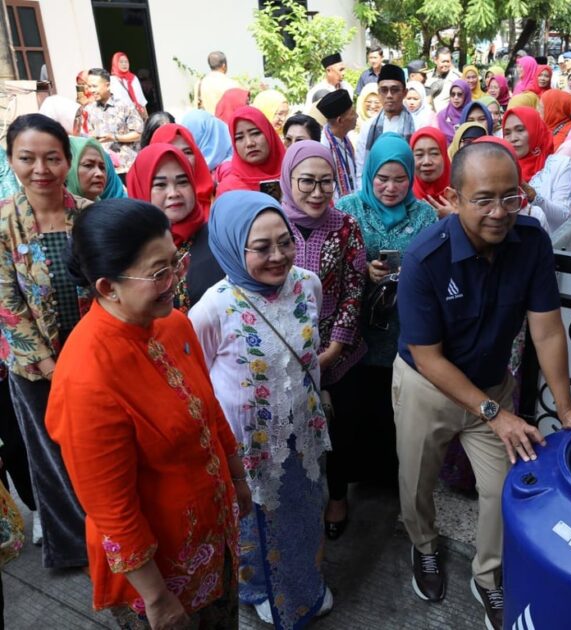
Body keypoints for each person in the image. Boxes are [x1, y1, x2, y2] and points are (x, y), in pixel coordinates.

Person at [393, 140, 571, 629]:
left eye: (511, 197)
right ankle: (423, 546)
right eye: (483, 198)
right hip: (429, 387)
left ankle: (488, 576)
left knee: (505, 489)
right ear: (454, 197)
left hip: (492, 386)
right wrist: (495, 413)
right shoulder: (425, 259)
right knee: (416, 481)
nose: (499, 212)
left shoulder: (531, 242)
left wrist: (566, 408)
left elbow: (546, 328)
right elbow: (428, 357)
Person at [46, 198, 250, 628]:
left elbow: (209, 408)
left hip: (211, 537)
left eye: (176, 262)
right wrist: (157, 598)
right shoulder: (87, 377)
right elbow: (112, 509)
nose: (176, 280)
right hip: (159, 574)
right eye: (159, 273)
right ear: (106, 287)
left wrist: (236, 476)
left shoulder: (172, 324)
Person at [189, 190, 333, 627]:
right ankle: (258, 590)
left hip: (303, 430)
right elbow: (196, 381)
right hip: (248, 445)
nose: (279, 256)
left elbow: (308, 355)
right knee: (255, 522)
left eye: (285, 242)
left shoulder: (309, 284)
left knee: (305, 513)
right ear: (234, 246)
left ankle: (305, 584)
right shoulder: (212, 307)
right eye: (262, 247)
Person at [0, 114, 90, 569]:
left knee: (98, 448)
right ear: (11, 159)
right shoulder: (2, 223)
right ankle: (73, 545)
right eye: (27, 158)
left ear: (66, 160)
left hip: (96, 358)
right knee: (52, 456)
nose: (41, 168)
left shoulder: (89, 215)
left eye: (52, 157)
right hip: (37, 368)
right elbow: (6, 303)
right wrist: (54, 368)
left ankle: (115, 534)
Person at [335, 133, 436, 490]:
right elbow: (333, 262)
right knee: (357, 406)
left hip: (403, 330)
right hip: (357, 331)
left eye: (400, 179)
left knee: (398, 410)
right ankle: (356, 478)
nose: (391, 188)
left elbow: (435, 266)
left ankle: (393, 479)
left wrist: (414, 274)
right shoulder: (348, 209)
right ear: (369, 175)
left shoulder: (424, 214)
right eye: (382, 178)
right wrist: (364, 269)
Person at [277, 141, 367, 542]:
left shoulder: (346, 225)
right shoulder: (273, 222)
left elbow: (354, 287)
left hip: (339, 351)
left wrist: (335, 348)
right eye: (307, 182)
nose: (317, 192)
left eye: (326, 183)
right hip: (283, 349)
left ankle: (338, 497)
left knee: (342, 432)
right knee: (293, 429)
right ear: (288, 179)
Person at [126, 144, 223, 312]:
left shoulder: (219, 239)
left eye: (182, 182)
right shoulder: (128, 249)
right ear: (141, 188)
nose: (173, 193)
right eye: (160, 185)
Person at [502, 106, 571, 232]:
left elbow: (563, 217)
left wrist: (533, 196)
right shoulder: (503, 167)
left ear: (535, 129)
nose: (513, 138)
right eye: (507, 133)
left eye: (520, 130)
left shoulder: (560, 164)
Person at [355, 64, 415, 184]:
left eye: (394, 90)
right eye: (384, 90)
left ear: (404, 92)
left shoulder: (417, 126)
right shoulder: (368, 127)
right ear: (378, 93)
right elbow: (361, 169)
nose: (389, 95)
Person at [84, 68, 144, 173]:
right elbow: (89, 135)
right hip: (104, 170)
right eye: (89, 86)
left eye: (94, 86)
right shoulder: (89, 109)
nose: (91, 90)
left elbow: (138, 133)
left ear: (107, 85)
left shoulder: (125, 105)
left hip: (127, 167)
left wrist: (114, 137)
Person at [216, 106, 285, 197]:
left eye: (255, 133)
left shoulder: (295, 175)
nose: (249, 143)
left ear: (269, 133)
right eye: (239, 138)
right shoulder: (228, 189)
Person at [150, 123, 215, 217]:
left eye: (187, 152)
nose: (181, 158)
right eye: (171, 152)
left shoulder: (217, 197)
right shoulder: (147, 214)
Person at [317, 90, 359, 201]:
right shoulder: (323, 147)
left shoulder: (345, 139)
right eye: (353, 113)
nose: (357, 116)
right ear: (340, 120)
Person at [66, 136, 126, 201]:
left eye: (102, 167)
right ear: (68, 169)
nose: (99, 173)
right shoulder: (60, 209)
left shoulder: (103, 209)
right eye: (88, 165)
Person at [410, 128, 451, 214]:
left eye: (434, 153)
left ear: (444, 156)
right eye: (419, 155)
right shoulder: (402, 194)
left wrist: (456, 217)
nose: (427, 162)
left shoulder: (461, 191)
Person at [109, 52, 148, 117]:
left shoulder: (133, 78)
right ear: (115, 63)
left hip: (136, 114)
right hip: (122, 115)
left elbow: (141, 99)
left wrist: (146, 116)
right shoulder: (112, 80)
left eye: (126, 62)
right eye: (121, 62)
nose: (124, 64)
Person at [434, 79, 471, 144]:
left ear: (466, 95)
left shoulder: (472, 113)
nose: (456, 97)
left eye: (459, 94)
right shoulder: (442, 115)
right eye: (452, 94)